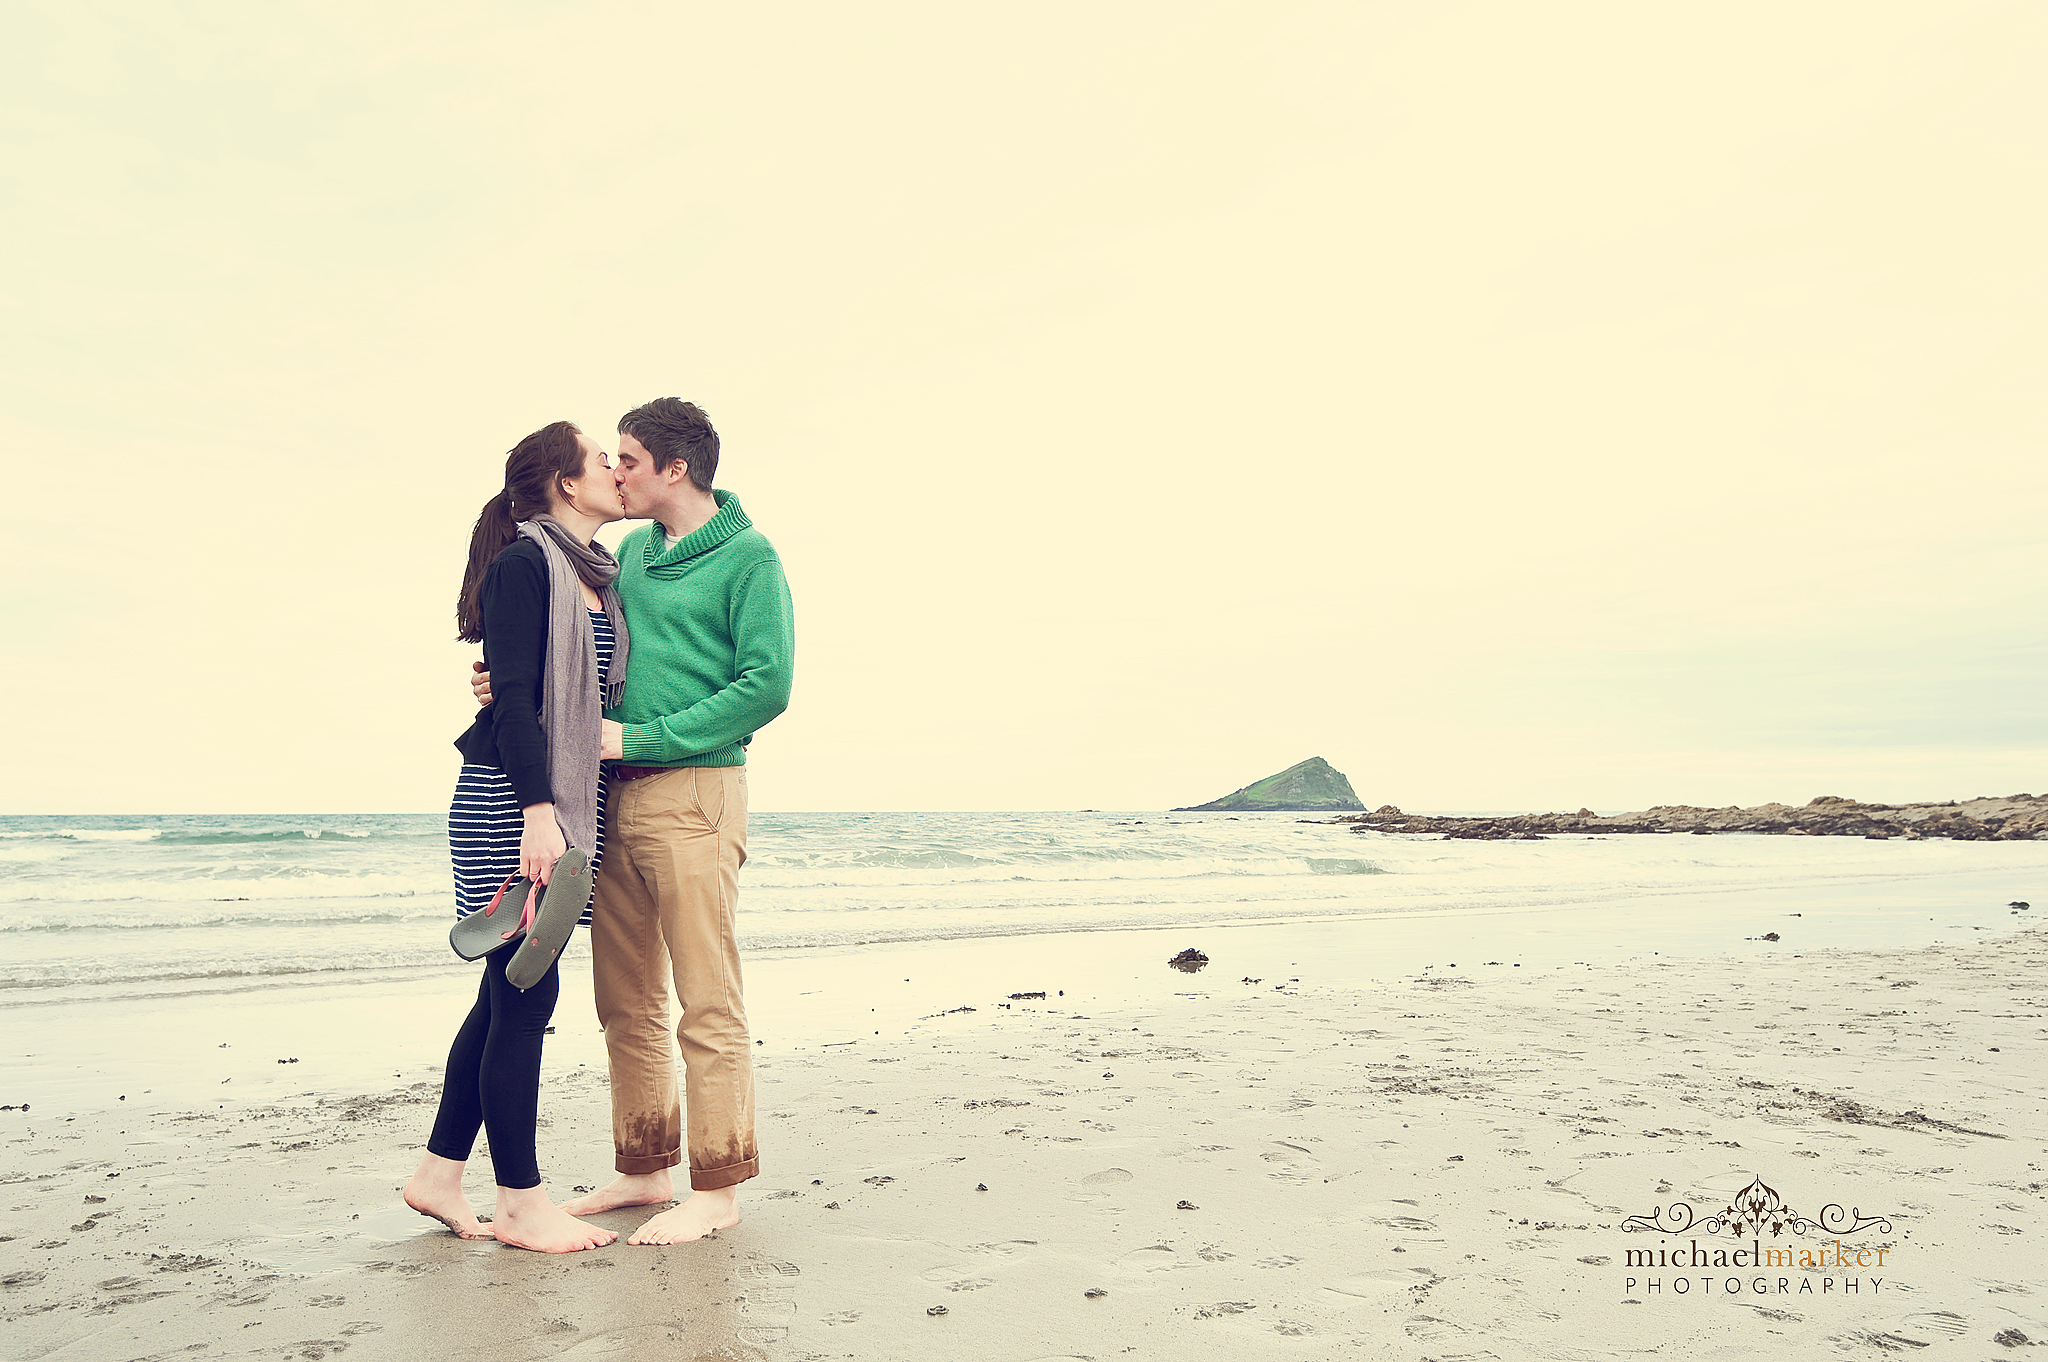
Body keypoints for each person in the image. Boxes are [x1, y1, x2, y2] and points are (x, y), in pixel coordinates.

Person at [473, 398, 794, 1246]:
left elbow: (767, 686)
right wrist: (509, 687)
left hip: (696, 794)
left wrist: (646, 735)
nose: (615, 472)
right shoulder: (631, 558)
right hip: (609, 799)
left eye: (628, 459)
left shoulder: (751, 559)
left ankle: (718, 1188)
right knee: (625, 999)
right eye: (609, 459)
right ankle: (646, 1166)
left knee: (705, 1000)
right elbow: (578, 651)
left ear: (673, 470)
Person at [403, 420, 629, 1254]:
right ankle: (521, 1200)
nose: (613, 468)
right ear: (567, 484)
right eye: (601, 458)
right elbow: (523, 699)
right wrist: (540, 813)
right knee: (528, 993)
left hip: (556, 800)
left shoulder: (596, 577)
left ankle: (437, 1175)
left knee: (506, 991)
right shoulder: (526, 563)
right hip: (513, 803)